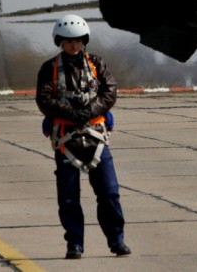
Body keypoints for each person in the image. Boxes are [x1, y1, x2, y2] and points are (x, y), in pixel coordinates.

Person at [36, 14, 131, 260]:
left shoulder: (97, 64)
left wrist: (90, 111)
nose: (73, 45)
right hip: (66, 141)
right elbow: (44, 99)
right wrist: (71, 113)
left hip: (96, 139)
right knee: (68, 198)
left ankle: (117, 240)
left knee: (109, 193)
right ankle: (74, 244)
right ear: (60, 42)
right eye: (68, 41)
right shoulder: (50, 68)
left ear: (84, 41)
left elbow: (110, 91)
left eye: (77, 41)